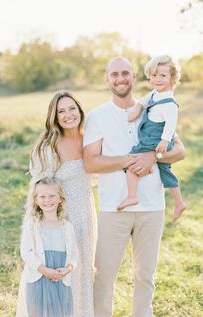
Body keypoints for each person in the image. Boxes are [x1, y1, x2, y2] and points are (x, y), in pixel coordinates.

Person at [83, 57, 186, 317]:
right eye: (114, 74)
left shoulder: (154, 106)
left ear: (133, 77)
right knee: (104, 275)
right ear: (107, 79)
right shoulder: (97, 116)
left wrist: (154, 156)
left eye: (125, 73)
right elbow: (91, 162)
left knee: (145, 275)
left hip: (152, 206)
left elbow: (180, 150)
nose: (120, 79)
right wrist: (130, 160)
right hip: (114, 207)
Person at [29, 90, 97, 317]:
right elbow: (38, 188)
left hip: (86, 216)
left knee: (84, 270)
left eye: (72, 108)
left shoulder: (91, 138)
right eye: (61, 111)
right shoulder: (49, 147)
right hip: (59, 220)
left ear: (79, 110)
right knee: (61, 272)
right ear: (55, 117)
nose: (68, 115)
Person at [117, 55, 186, 222]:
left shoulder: (169, 102)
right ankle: (179, 203)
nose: (157, 79)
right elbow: (142, 101)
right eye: (154, 75)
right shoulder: (155, 93)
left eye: (163, 76)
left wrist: (163, 141)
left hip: (155, 139)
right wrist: (137, 110)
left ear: (173, 78)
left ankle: (132, 195)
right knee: (165, 170)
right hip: (154, 137)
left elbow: (171, 125)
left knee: (132, 161)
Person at [18, 177, 78, 317]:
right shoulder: (32, 225)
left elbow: (75, 253)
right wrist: (44, 270)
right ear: (36, 200)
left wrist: (68, 268)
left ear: (60, 199)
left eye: (52, 196)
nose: (47, 200)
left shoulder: (67, 227)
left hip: (59, 280)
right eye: (42, 196)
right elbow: (26, 252)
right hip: (39, 279)